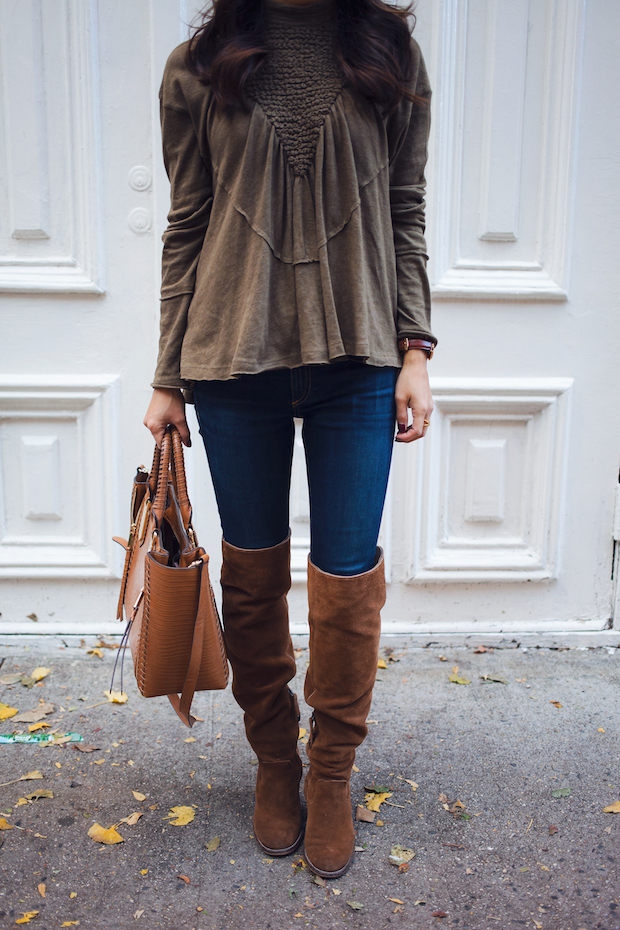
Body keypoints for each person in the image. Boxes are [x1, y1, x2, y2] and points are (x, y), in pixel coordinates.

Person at [143, 0, 435, 879]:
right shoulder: (200, 63)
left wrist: (415, 348)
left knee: (349, 581)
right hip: (234, 359)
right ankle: (276, 759)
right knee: (255, 571)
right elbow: (186, 225)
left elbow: (407, 204)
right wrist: (165, 375)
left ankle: (333, 774)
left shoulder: (387, 50)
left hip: (359, 360)